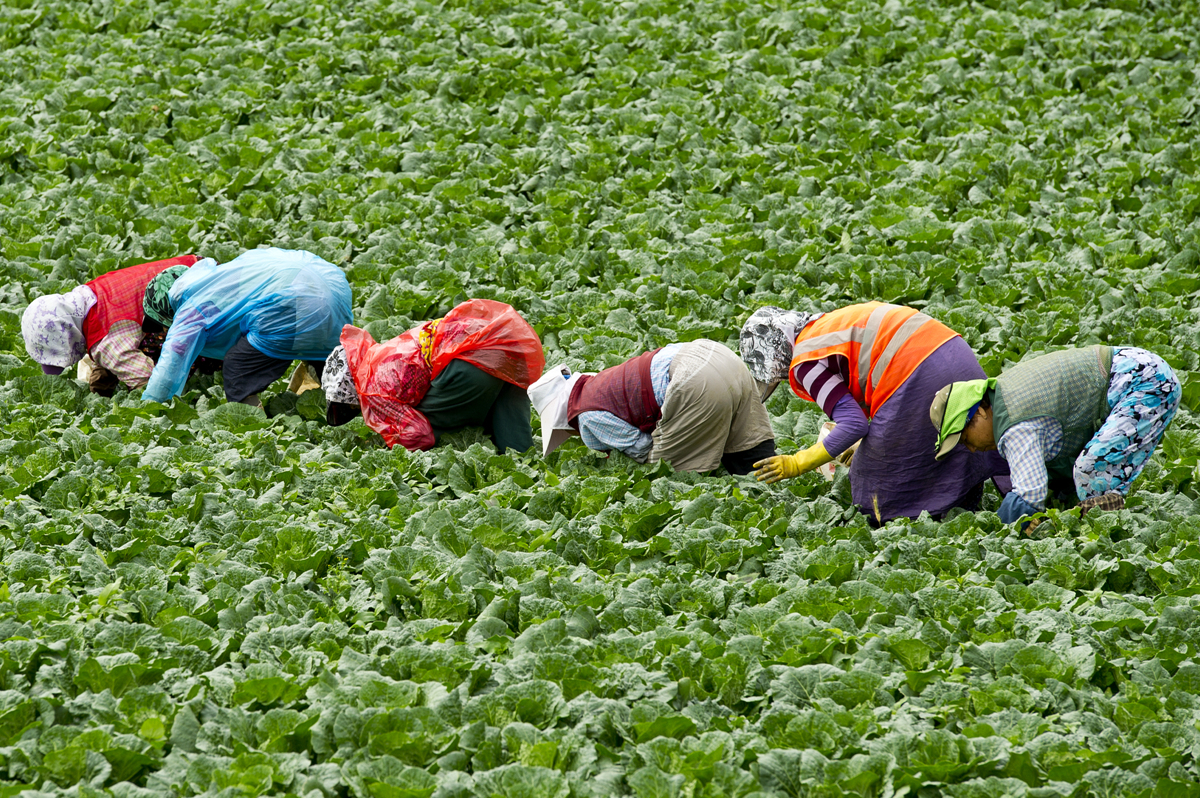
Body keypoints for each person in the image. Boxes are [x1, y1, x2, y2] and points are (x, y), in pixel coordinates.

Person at [740, 303, 1007, 523]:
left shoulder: (805, 360)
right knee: (961, 437)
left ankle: (928, 517)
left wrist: (798, 462)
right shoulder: (828, 325)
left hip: (917, 373)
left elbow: (854, 424)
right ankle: (965, 504)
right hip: (955, 352)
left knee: (873, 485)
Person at [930, 345, 1180, 526]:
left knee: (1092, 470)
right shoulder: (1003, 398)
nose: (972, 449)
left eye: (965, 439)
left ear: (979, 413)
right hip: (1140, 366)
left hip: (1145, 381)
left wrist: (998, 531)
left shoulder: (1015, 426)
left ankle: (1114, 533)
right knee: (1079, 481)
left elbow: (1029, 496)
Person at [322, 299, 544, 453]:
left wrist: (392, 447)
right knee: (514, 435)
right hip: (510, 343)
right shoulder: (383, 352)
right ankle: (525, 465)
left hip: (470, 362)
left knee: (431, 422)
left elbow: (418, 434)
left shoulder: (370, 388)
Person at [141, 248, 353, 406]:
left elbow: (170, 366)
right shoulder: (219, 277)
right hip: (334, 291)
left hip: (296, 302)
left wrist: (149, 408)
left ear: (167, 311)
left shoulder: (191, 306)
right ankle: (352, 404)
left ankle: (254, 428)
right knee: (330, 363)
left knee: (237, 368)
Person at [528, 339, 776, 474]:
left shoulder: (586, 416)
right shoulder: (601, 382)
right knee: (749, 450)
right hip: (718, 354)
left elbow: (642, 448)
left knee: (664, 473)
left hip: (694, 381)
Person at [21, 255, 201, 394]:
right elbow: (118, 339)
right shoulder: (92, 293)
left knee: (163, 355)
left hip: (198, 304)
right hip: (196, 268)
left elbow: (146, 377)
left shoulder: (106, 341)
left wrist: (150, 402)